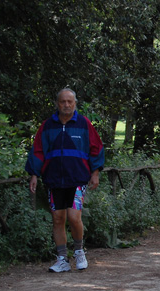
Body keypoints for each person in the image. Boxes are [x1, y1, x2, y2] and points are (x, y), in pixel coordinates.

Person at [25, 88, 105, 272]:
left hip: (77, 178)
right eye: (63, 101)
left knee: (74, 217)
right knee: (57, 218)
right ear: (57, 103)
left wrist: (95, 172)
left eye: (70, 101)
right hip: (54, 180)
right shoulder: (47, 126)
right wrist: (34, 174)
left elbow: (96, 148)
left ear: (75, 103)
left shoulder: (84, 124)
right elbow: (38, 151)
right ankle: (62, 259)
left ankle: (79, 251)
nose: (66, 105)